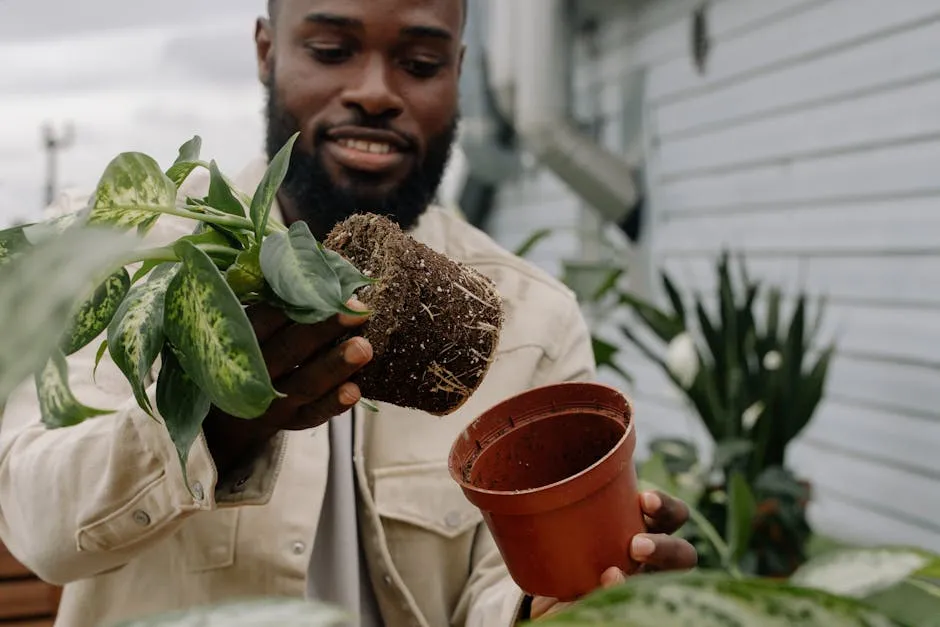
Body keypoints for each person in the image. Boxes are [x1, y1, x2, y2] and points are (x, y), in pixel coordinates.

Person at [0, 1, 697, 625]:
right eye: (332, 51)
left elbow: (497, 589)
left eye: (420, 62)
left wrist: (550, 603)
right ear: (268, 52)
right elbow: (37, 518)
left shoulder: (527, 317)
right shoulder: (138, 260)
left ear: (457, 71)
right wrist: (213, 427)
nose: (373, 91)